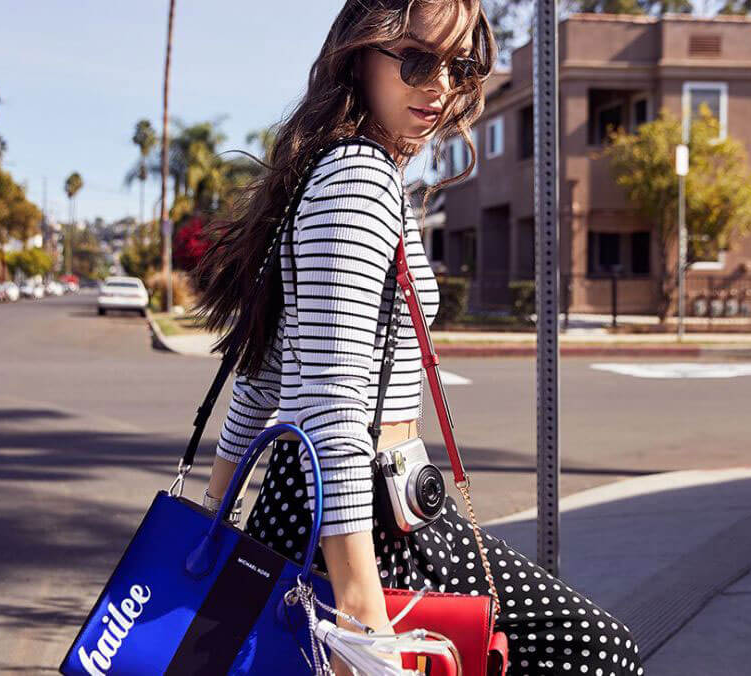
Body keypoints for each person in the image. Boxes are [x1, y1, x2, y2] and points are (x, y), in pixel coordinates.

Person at [192, 2, 644, 674]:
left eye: (458, 66)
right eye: (416, 60)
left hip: (329, 512)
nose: (439, 86)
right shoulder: (358, 180)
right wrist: (359, 611)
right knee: (597, 652)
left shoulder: (324, 172)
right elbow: (330, 403)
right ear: (358, 54)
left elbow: (267, 364)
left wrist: (211, 520)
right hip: (363, 518)